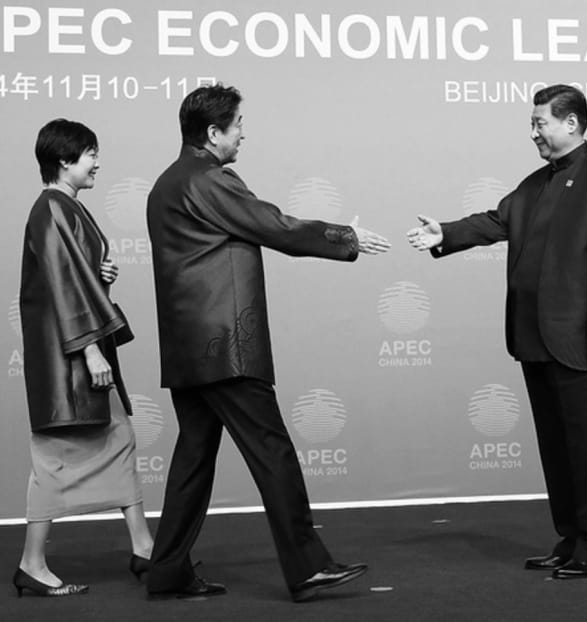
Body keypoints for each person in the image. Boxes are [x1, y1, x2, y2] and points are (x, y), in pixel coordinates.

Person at [145, 84, 389, 602]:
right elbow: (275, 226)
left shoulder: (165, 184)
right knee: (272, 452)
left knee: (192, 463)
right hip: (228, 348)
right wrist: (345, 236)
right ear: (213, 133)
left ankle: (166, 572)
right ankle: (306, 567)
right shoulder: (211, 179)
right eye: (236, 125)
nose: (243, 133)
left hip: (188, 352)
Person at [408, 84, 587, 579]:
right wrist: (445, 233)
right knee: (555, 446)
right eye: (532, 124)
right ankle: (570, 538)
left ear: (571, 123)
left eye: (541, 123)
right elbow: (495, 220)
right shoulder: (533, 184)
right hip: (533, 339)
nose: (533, 132)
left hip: (582, 340)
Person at [14, 119, 154, 597]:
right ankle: (32, 563)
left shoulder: (65, 208)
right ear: (64, 160)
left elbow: (80, 277)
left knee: (119, 440)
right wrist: (91, 349)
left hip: (77, 349)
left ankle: (144, 547)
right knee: (54, 459)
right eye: (90, 154)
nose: (97, 163)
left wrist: (103, 276)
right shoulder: (50, 209)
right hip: (70, 355)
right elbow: (62, 286)